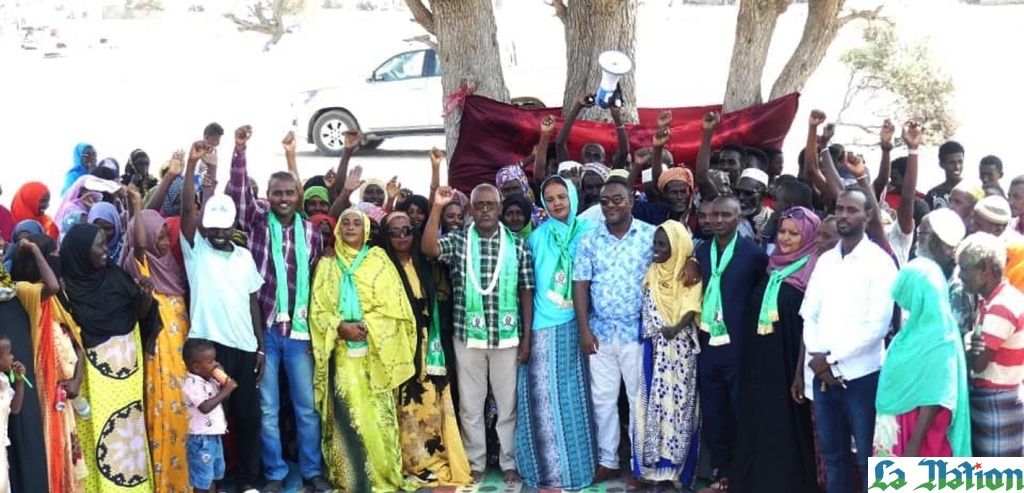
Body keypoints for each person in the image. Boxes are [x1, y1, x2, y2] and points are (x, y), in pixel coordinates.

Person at [224, 126, 330, 493]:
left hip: (299, 333)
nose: (283, 198)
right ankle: (275, 473)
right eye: (277, 193)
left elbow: (315, 281)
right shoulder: (256, 223)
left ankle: (312, 471)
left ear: (298, 195)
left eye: (289, 192)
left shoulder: (311, 232)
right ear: (267, 197)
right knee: (267, 408)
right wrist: (239, 151)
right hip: (265, 330)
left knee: (306, 407)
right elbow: (238, 194)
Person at [422, 184, 535, 484]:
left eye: (490, 205)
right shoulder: (459, 240)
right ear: (471, 210)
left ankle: (510, 462)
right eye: (479, 205)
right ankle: (475, 462)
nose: (485, 210)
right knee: (470, 404)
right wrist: (437, 207)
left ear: (499, 209)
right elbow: (429, 249)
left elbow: (526, 290)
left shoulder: (517, 245)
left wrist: (526, 338)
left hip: (506, 337)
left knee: (508, 405)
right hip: (468, 336)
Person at [310, 209, 418, 491]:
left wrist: (367, 326)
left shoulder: (378, 260)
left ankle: (383, 476)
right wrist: (340, 326)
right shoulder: (328, 264)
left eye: (357, 223)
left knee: (377, 418)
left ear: (366, 230)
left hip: (375, 353)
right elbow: (318, 310)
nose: (350, 227)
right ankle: (351, 479)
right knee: (347, 416)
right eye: (345, 222)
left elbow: (397, 307)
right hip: (341, 355)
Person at [801, 187, 898, 493]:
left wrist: (830, 359)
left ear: (868, 216)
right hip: (823, 377)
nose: (843, 215)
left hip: (862, 377)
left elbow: (877, 327)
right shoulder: (826, 261)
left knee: (868, 459)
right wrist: (818, 359)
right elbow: (809, 313)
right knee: (833, 457)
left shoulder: (880, 263)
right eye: (840, 209)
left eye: (852, 210)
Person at [179, 150, 266, 493]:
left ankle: (248, 481)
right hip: (209, 352)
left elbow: (253, 302)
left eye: (224, 226)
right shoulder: (196, 250)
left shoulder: (244, 256)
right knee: (210, 419)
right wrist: (192, 166)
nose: (218, 232)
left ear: (233, 226)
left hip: (244, 347)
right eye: (212, 226)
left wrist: (260, 347)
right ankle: (212, 482)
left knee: (247, 417)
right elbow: (187, 212)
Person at [56, 223, 157, 492]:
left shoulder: (115, 276)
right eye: (99, 245)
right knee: (101, 436)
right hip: (95, 377)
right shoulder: (66, 290)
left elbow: (138, 315)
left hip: (127, 372)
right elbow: (70, 337)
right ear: (80, 251)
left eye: (104, 244)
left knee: (129, 432)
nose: (105, 250)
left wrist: (146, 296)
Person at [515, 176, 598, 490]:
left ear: (572, 197)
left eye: (562, 196)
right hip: (543, 327)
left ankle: (577, 470)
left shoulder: (590, 232)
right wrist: (527, 335)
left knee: (574, 397)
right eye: (549, 199)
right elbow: (528, 286)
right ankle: (545, 472)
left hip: (580, 325)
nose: (557, 203)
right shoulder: (537, 238)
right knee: (542, 399)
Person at [573, 176, 655, 484]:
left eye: (617, 200)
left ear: (631, 201)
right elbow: (580, 285)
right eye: (604, 201)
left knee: (638, 399)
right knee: (603, 399)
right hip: (601, 333)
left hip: (637, 332)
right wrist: (584, 330)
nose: (610, 206)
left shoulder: (650, 236)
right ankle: (608, 461)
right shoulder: (590, 239)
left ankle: (639, 464)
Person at [732, 206, 821, 493]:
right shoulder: (772, 265)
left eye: (794, 234)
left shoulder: (814, 269)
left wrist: (799, 372)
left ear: (808, 236)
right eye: (782, 231)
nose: (785, 238)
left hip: (789, 364)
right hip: (761, 363)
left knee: (785, 424)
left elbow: (810, 323)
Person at [381, 212, 472, 487]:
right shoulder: (380, 264)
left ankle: (432, 461)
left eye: (407, 230)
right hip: (398, 344)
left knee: (431, 403)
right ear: (386, 236)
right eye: (394, 232)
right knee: (405, 406)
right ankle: (412, 463)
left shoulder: (426, 264)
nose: (402, 237)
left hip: (429, 342)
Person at [873, 223, 971, 458]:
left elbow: (937, 394)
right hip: (899, 425)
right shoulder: (914, 329)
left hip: (919, 436)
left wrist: (914, 444)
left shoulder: (939, 336)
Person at [693, 195, 769, 491]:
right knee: (714, 413)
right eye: (714, 215)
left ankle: (745, 471)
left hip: (739, 347)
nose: (719, 220)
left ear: (739, 219)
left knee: (741, 411)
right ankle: (721, 471)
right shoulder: (701, 252)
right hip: (707, 347)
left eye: (726, 215)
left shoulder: (754, 256)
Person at [123, 191, 190, 492]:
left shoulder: (169, 267)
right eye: (159, 238)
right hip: (162, 356)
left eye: (165, 236)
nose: (164, 243)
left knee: (188, 413)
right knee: (169, 416)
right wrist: (136, 207)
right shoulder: (142, 265)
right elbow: (139, 243)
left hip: (184, 353)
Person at [632, 220, 702, 489]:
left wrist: (675, 328)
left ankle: (677, 473)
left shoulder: (688, 274)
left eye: (663, 245)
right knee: (653, 409)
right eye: (655, 243)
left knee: (680, 410)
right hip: (654, 351)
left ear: (678, 246)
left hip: (680, 355)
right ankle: (654, 472)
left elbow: (691, 308)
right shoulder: (653, 272)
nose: (657, 249)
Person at [957, 232, 1024, 456]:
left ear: (985, 269)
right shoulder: (998, 299)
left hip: (997, 401)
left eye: (965, 269)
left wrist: (968, 346)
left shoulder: (1000, 307)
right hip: (1001, 399)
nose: (960, 275)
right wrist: (970, 342)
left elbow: (978, 363)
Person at [0, 240, 57, 493]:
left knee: (27, 439)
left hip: (21, 378)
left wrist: (34, 250)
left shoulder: (15, 290)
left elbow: (52, 287)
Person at [182, 339, 236, 493]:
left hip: (214, 436)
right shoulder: (191, 384)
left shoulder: (210, 380)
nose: (215, 364)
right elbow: (205, 407)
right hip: (200, 440)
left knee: (212, 476)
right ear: (196, 367)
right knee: (202, 480)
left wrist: (224, 383)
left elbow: (224, 398)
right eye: (211, 362)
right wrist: (226, 390)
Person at [0, 332, 27, 493]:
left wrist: (20, 382)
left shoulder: (4, 381)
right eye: (9, 353)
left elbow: (15, 409)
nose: (12, 357)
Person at [926, 141, 965, 211]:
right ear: (942, 164)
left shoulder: (973, 192)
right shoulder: (933, 195)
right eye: (952, 163)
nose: (957, 167)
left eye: (960, 162)